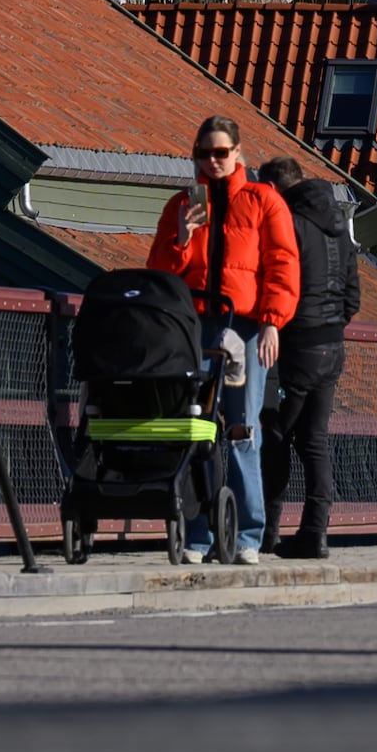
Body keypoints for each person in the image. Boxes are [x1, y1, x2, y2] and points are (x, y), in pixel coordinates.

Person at [145, 113, 301, 563]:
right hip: (194, 327)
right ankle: (199, 535)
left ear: (237, 154)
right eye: (204, 153)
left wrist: (272, 321)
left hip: (245, 328)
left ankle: (248, 534)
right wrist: (181, 237)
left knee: (242, 427)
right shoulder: (181, 204)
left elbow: (282, 263)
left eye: (221, 152)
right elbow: (160, 274)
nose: (213, 161)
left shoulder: (263, 200)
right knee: (197, 427)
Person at [257, 152, 360, 561]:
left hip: (297, 343)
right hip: (333, 345)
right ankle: (315, 533)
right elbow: (353, 296)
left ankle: (267, 530)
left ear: (275, 189)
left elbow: (276, 280)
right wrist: (332, 322)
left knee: (276, 437)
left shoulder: (290, 226)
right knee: (315, 442)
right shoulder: (339, 227)